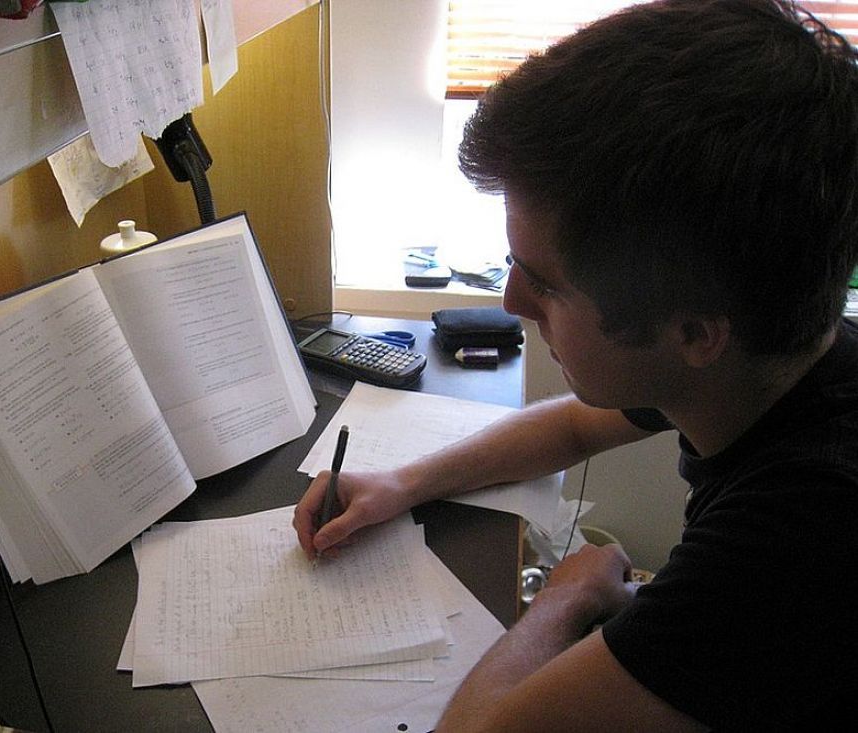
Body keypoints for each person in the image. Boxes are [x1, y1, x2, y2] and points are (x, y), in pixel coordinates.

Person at [293, 1, 858, 729]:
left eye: (546, 283)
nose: (511, 300)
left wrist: (570, 594)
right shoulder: (768, 357)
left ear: (694, 332)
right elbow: (572, 427)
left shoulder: (798, 542)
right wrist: (402, 483)